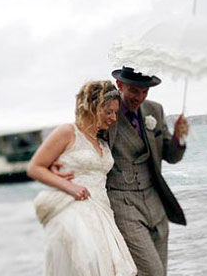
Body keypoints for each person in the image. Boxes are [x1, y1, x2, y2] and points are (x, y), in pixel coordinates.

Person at [52, 66, 189, 276]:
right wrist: (60, 167)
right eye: (134, 90)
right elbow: (83, 142)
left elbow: (171, 156)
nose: (140, 97)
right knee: (152, 272)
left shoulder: (155, 111)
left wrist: (179, 138)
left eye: (145, 91)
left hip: (156, 202)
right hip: (122, 202)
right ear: (120, 85)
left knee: (160, 271)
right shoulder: (106, 114)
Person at [27, 80, 137, 276]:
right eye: (108, 111)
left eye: (115, 112)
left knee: (108, 267)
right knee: (88, 263)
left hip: (102, 210)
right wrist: (69, 187)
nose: (113, 118)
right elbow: (35, 167)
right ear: (92, 107)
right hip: (74, 208)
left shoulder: (102, 142)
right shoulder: (67, 132)